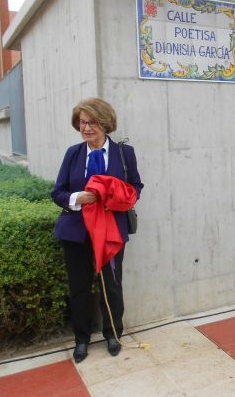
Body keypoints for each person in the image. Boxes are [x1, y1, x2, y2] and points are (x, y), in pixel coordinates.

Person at [52, 98, 143, 363]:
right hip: (77, 231)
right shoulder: (73, 153)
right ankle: (81, 339)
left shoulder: (125, 154)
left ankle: (113, 333)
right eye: (82, 122)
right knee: (79, 286)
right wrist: (77, 199)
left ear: (105, 123)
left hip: (111, 230)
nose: (87, 128)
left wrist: (119, 196)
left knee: (112, 285)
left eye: (92, 122)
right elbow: (57, 192)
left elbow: (136, 186)